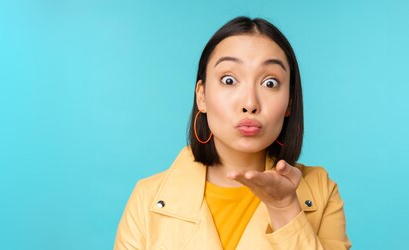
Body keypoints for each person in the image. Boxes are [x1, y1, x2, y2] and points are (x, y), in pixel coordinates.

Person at [114, 16, 351, 250]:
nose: (250, 103)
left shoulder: (321, 191)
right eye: (229, 80)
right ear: (202, 96)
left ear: (289, 103)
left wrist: (285, 208)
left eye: (270, 83)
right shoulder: (147, 198)